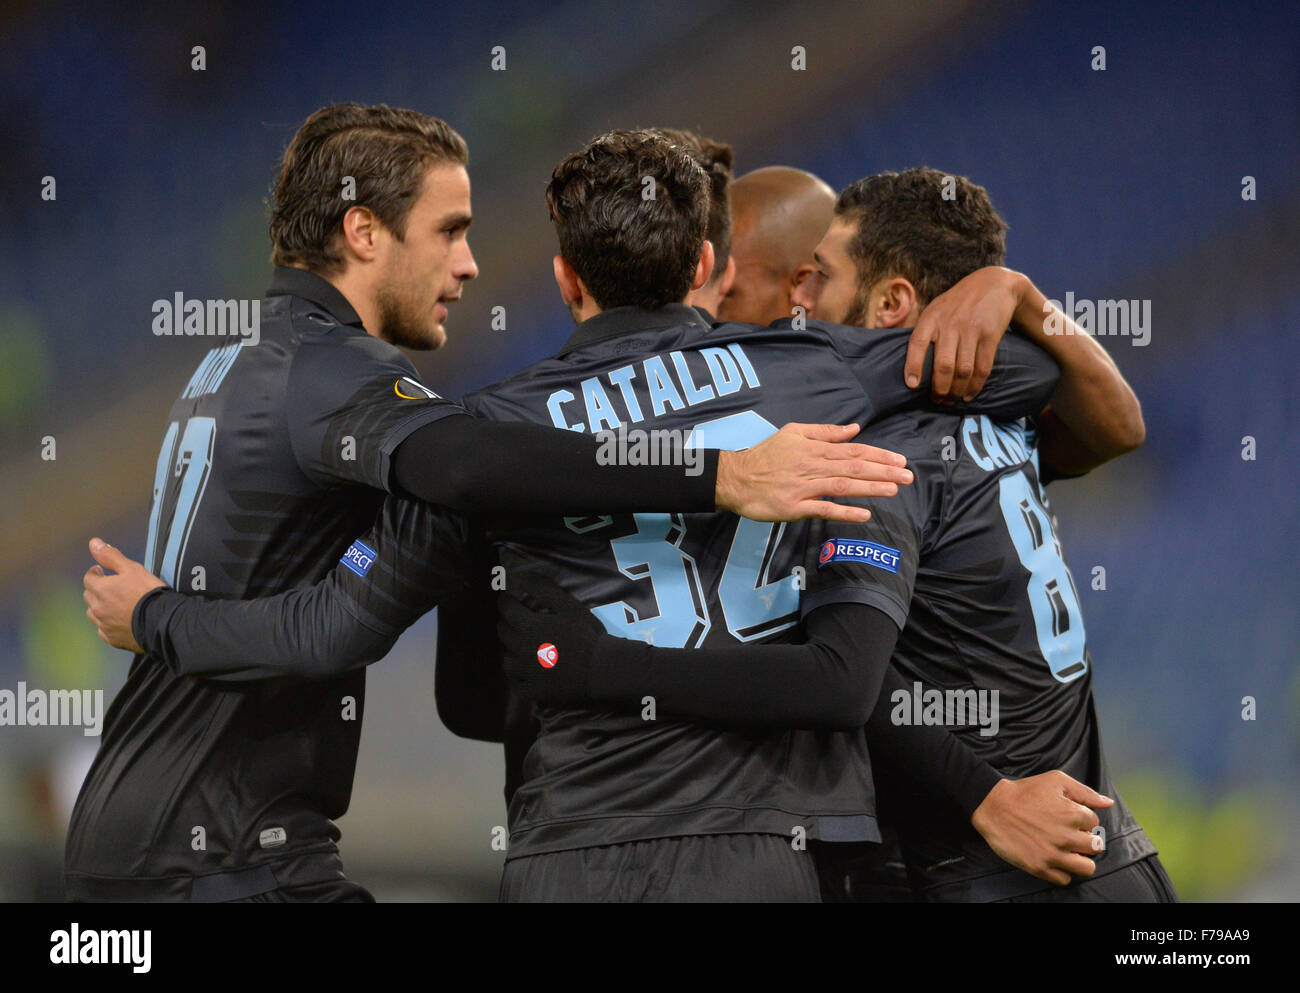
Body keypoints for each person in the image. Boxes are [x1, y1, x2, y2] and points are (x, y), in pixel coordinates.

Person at [86, 132, 1105, 901]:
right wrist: (994, 288)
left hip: (570, 854)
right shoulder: (822, 373)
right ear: (709, 267)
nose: (469, 261)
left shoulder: (492, 437)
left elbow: (429, 679)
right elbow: (1026, 367)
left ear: (566, 278)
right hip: (776, 847)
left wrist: (163, 619)